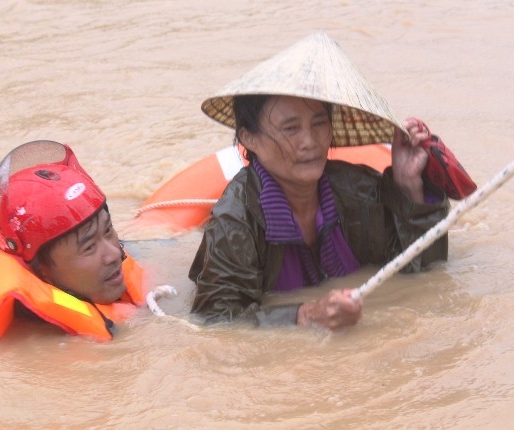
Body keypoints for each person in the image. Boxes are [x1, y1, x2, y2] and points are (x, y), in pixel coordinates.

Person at [189, 32, 463, 330]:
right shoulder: (235, 219)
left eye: (319, 123)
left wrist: (410, 189)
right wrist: (306, 315)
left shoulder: (359, 190)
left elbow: (426, 273)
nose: (310, 141)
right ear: (249, 138)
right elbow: (215, 320)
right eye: (291, 128)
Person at [0, 140, 146, 347]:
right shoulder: (42, 351)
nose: (113, 254)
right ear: (42, 270)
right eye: (89, 247)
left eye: (108, 230)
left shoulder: (143, 261)